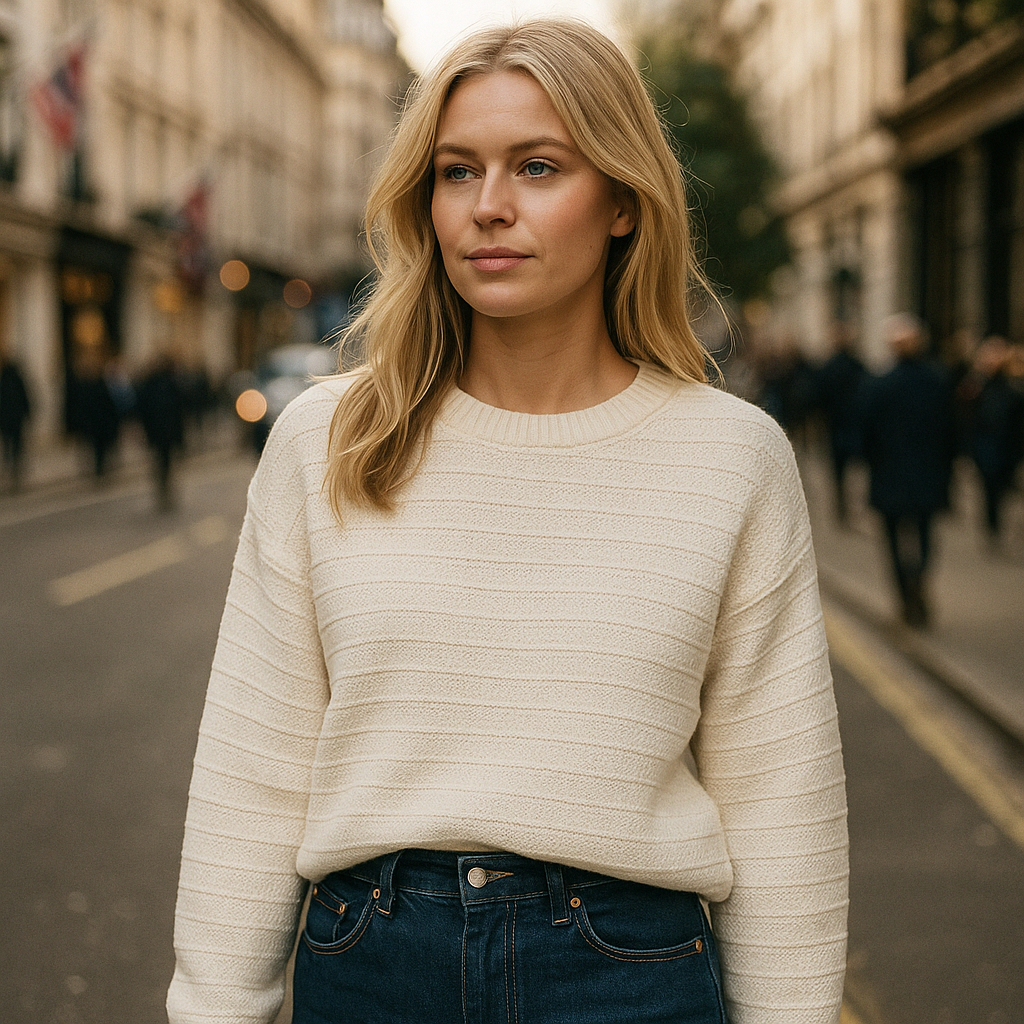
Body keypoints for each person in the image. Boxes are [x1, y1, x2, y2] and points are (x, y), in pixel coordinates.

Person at [168, 20, 848, 1024]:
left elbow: (779, 797)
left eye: (536, 166)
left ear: (621, 199)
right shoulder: (327, 439)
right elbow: (252, 768)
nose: (488, 208)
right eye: (456, 171)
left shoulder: (731, 455)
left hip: (631, 972)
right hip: (370, 965)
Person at [860, 313, 956, 627]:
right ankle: (920, 575)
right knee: (926, 533)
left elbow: (865, 433)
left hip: (888, 475)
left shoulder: (879, 384)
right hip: (930, 474)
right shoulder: (938, 381)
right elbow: (952, 432)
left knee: (890, 539)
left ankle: (904, 592)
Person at [958, 336, 1024, 547]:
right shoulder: (977, 384)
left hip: (1008, 446)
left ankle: (997, 524)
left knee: (1003, 488)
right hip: (986, 446)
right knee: (990, 488)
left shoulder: (1011, 384)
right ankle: (992, 526)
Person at [816, 322, 867, 524]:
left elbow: (818, 396)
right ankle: (846, 507)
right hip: (848, 424)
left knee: (839, 470)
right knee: (852, 468)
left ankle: (842, 507)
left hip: (836, 424)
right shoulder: (857, 367)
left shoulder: (829, 367)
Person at [136, 350, 186, 510]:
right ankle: (163, 489)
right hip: (158, 430)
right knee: (161, 461)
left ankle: (165, 489)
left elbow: (179, 411)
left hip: (166, 430)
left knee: (165, 461)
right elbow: (143, 410)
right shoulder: (151, 384)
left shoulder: (171, 383)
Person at [0, 347, 32, 491]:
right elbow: (25, 398)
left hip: (7, 419)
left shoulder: (4, 380)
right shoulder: (17, 379)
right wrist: (27, 413)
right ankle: (15, 467)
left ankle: (12, 466)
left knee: (9, 443)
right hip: (15, 418)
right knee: (16, 444)